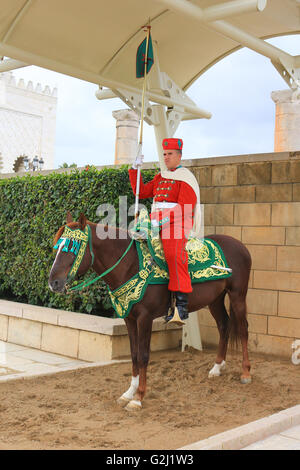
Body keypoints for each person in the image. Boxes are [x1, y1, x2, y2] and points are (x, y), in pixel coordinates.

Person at [128, 138, 201, 323]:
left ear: (179, 155)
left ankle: (181, 306)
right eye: (164, 154)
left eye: (170, 154)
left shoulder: (186, 178)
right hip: (155, 221)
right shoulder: (161, 177)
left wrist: (158, 219)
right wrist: (135, 169)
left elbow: (184, 207)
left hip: (177, 222)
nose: (166, 157)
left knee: (173, 253)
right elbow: (141, 192)